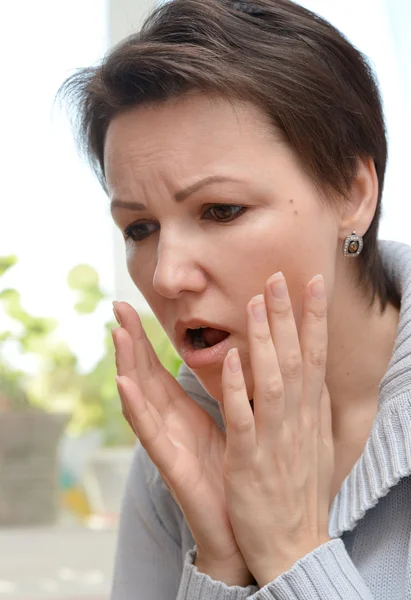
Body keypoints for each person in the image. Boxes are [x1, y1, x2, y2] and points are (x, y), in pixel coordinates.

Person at [60, 0, 411, 598]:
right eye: (140, 228)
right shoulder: (178, 449)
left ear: (353, 194)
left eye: (221, 210)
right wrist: (222, 562)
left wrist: (289, 552)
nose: (168, 276)